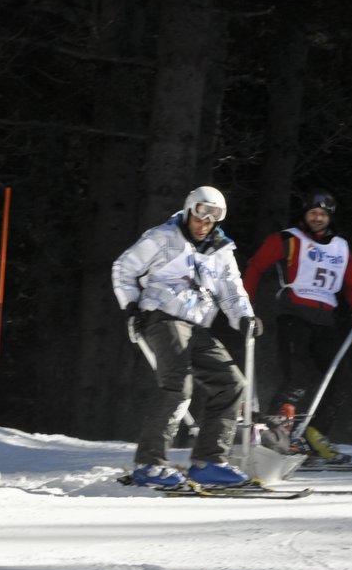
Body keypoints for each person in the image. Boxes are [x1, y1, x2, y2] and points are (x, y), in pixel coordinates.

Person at [112, 186, 261, 489]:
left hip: (196, 326)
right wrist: (130, 306)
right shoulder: (163, 237)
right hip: (162, 316)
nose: (204, 222)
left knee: (232, 384)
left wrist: (244, 316)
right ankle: (149, 463)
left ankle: (209, 461)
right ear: (189, 210)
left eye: (213, 216)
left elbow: (232, 291)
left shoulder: (221, 251)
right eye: (200, 213)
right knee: (178, 384)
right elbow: (123, 269)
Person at [242, 189, 352, 464]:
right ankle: (275, 435)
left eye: (323, 214)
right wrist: (244, 305)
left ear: (330, 218)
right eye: (313, 213)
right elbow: (255, 266)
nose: (317, 218)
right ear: (304, 215)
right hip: (294, 316)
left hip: (325, 320)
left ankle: (315, 435)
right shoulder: (288, 239)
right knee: (297, 377)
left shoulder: (341, 247)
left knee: (341, 381)